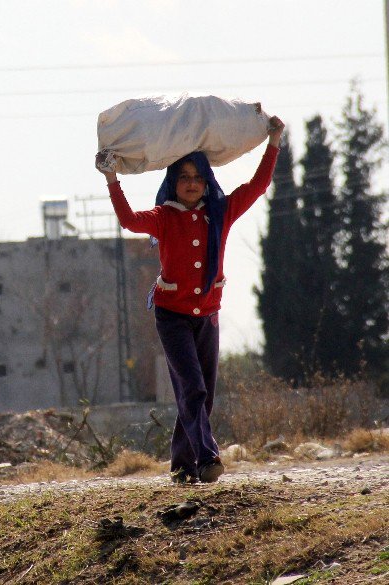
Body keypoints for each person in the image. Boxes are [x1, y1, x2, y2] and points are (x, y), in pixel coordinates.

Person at [97, 115, 285, 484]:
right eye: (183, 177)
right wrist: (111, 179)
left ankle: (182, 467)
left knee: (202, 395)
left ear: (206, 181)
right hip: (172, 317)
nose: (191, 184)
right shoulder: (164, 216)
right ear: (172, 182)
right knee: (193, 388)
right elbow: (130, 221)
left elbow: (258, 186)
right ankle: (207, 458)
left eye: (198, 177)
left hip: (208, 316)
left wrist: (274, 142)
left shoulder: (221, 213)